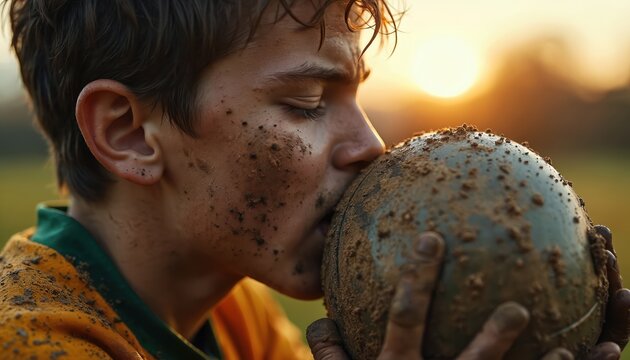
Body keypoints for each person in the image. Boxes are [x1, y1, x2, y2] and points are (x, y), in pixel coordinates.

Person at [1, 0, 628, 359]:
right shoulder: (30, 342)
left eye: (356, 96)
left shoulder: (233, 314)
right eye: (305, 101)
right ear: (129, 133)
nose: (371, 146)